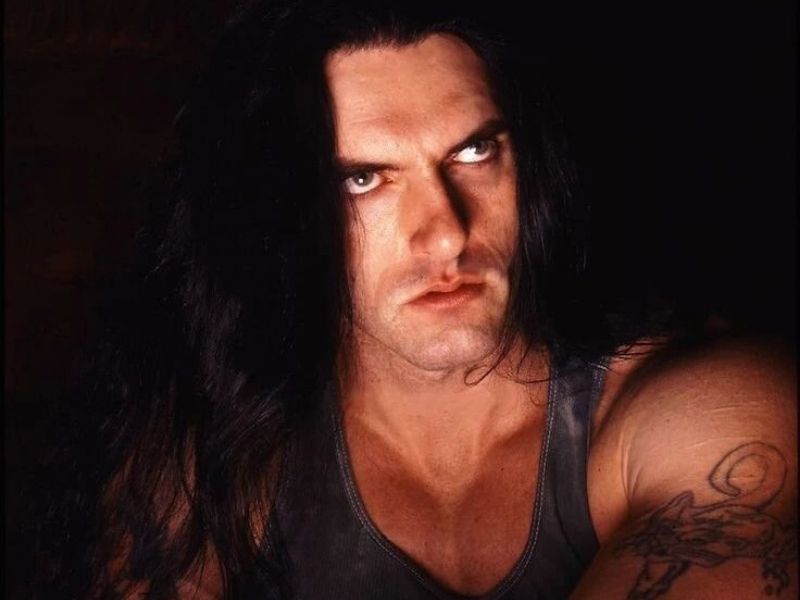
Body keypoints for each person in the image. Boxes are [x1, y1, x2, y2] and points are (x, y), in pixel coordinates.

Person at [33, 1, 796, 599]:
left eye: (473, 151)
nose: (446, 234)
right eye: (364, 179)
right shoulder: (210, 456)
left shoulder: (707, 406)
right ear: (278, 216)